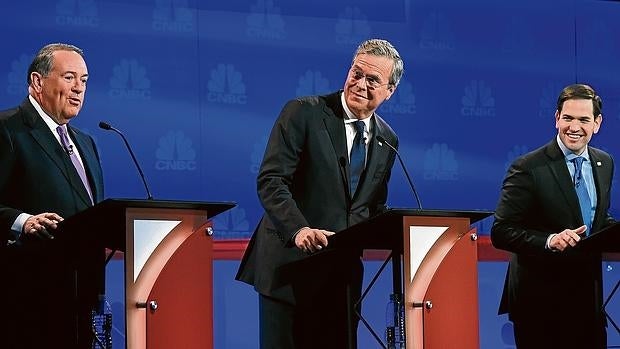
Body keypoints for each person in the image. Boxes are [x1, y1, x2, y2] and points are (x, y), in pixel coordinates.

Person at [236, 38, 402, 349]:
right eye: (356, 73)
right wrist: (298, 229)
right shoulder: (304, 113)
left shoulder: (388, 140)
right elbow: (272, 180)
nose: (360, 84)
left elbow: (372, 206)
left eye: (372, 80)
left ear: (390, 91)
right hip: (289, 270)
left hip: (341, 282)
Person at [491, 83, 616, 349]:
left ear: (597, 123)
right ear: (556, 118)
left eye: (584, 119)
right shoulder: (528, 167)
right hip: (539, 302)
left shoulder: (604, 162)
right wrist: (549, 241)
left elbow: (597, 220)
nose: (574, 127)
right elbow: (501, 231)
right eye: (568, 118)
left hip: (588, 300)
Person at [0, 43, 104, 348]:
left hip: (81, 300)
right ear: (37, 82)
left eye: (84, 80)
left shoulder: (86, 143)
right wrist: (23, 221)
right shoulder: (7, 129)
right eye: (69, 77)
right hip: (25, 300)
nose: (78, 89)